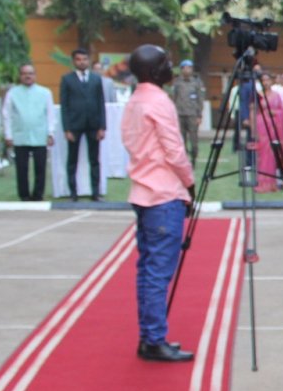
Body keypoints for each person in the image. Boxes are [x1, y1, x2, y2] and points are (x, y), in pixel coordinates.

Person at [122, 45, 197, 363]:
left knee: (147, 270)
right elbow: (174, 149)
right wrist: (190, 182)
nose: (172, 67)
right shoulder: (158, 101)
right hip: (163, 194)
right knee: (157, 272)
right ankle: (154, 338)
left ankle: (149, 335)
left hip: (143, 192)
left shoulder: (136, 99)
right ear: (155, 72)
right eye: (166, 63)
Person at [59, 48, 106, 201]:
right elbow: (64, 105)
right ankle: (73, 193)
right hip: (74, 125)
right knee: (72, 160)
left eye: (84, 59)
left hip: (93, 124)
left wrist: (102, 126)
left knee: (94, 160)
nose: (82, 62)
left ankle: (95, 193)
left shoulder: (96, 79)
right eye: (78, 59)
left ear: (89, 61)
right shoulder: (67, 79)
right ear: (73, 61)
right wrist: (66, 128)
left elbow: (101, 103)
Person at [4, 64, 53, 201]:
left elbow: (50, 114)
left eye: (30, 73)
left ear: (35, 75)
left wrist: (51, 133)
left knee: (40, 167)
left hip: (40, 135)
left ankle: (38, 194)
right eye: (25, 73)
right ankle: (24, 195)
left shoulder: (45, 92)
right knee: (21, 168)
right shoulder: (12, 93)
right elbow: (7, 115)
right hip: (20, 135)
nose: (28, 76)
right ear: (20, 76)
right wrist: (8, 135)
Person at [251, 71, 283, 193]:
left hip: (274, 127)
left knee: (272, 155)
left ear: (272, 81)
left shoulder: (277, 95)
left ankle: (271, 183)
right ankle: (261, 183)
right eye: (263, 80)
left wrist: (275, 113)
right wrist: (253, 129)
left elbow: (282, 111)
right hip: (261, 126)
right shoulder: (258, 95)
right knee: (262, 155)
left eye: (268, 80)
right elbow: (253, 112)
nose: (266, 83)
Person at [169, 59, 207, 163]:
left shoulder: (196, 83)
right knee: (181, 140)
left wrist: (199, 115)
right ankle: (184, 160)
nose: (187, 70)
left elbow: (200, 99)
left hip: (192, 115)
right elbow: (173, 98)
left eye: (189, 68)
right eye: (185, 68)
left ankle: (194, 158)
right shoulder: (177, 83)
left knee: (193, 139)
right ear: (181, 69)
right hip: (180, 114)